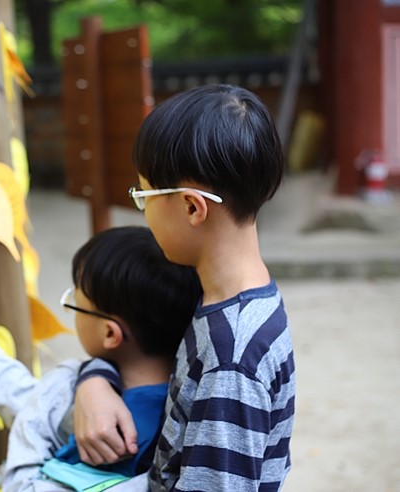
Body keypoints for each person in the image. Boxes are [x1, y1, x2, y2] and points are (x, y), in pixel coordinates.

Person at [72, 84, 296, 491]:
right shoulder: (232, 295)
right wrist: (93, 380)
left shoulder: (231, 360)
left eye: (145, 196)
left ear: (193, 207)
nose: (144, 213)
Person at [0, 226, 202, 491]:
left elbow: (38, 409)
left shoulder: (82, 398)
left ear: (110, 333)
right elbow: (38, 402)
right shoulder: (185, 409)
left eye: (76, 303)